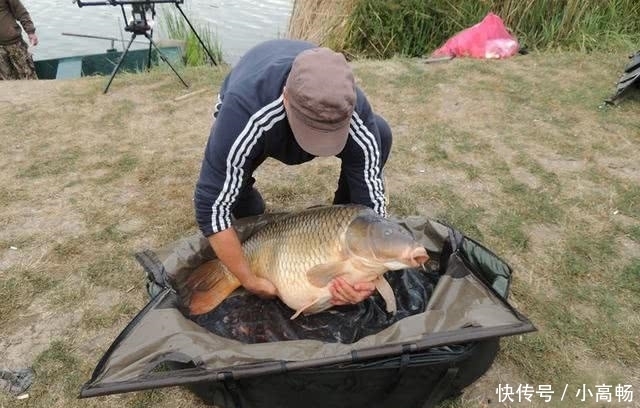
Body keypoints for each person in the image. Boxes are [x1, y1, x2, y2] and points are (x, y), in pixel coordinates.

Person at [194, 39, 392, 307]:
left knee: (381, 134)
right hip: (257, 108)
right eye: (312, 130)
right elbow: (210, 206)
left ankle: (339, 222)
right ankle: (245, 199)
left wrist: (364, 278)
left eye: (328, 132)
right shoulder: (243, 111)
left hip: (303, 112)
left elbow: (373, 210)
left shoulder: (353, 109)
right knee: (245, 205)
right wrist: (250, 280)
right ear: (286, 97)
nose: (318, 145)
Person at [0, 0, 38, 80]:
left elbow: (21, 11)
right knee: (5, 82)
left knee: (28, 77)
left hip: (14, 44)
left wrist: (30, 32)